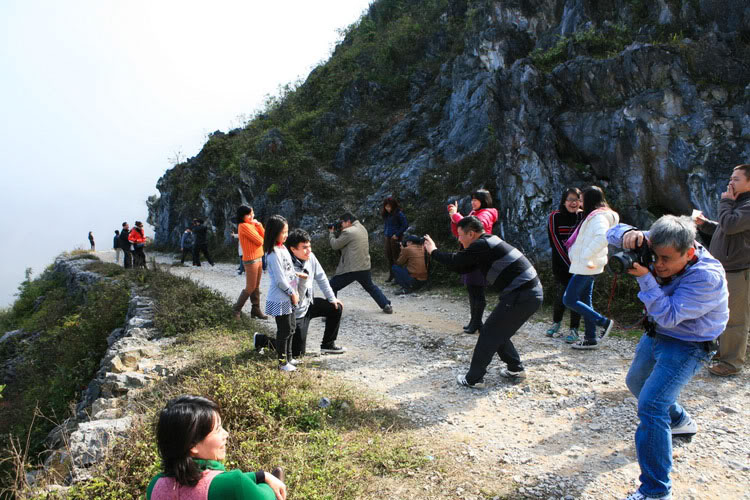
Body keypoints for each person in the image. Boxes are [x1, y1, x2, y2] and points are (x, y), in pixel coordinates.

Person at [606, 215, 728, 500]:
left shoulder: (707, 277)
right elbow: (611, 231)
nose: (658, 264)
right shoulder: (665, 239)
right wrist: (629, 234)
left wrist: (646, 279)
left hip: (689, 342)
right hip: (657, 332)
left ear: (689, 251)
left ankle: (655, 491)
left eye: (665, 259)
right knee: (636, 382)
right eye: (654, 255)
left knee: (650, 405)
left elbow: (669, 315)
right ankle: (680, 420)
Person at [424, 216, 542, 387]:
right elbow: (462, 266)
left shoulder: (482, 245)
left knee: (489, 332)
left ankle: (474, 379)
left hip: (522, 294)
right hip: (528, 294)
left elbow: (456, 261)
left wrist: (433, 251)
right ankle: (515, 368)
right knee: (498, 331)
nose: (459, 239)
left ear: (471, 233)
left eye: (460, 235)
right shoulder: (488, 242)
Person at [146, 395, 286, 500]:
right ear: (193, 445)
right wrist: (269, 483)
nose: (226, 434)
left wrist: (260, 475)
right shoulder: (235, 484)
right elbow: (268, 496)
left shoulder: (155, 487)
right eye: (218, 429)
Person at [695, 163, 750, 377]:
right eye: (731, 177)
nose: (731, 182)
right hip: (724, 269)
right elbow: (724, 228)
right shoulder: (739, 204)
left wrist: (725, 202)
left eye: (736, 178)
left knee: (736, 318)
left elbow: (731, 225)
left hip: (738, 270)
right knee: (719, 312)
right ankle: (721, 352)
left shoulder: (746, 205)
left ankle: (732, 362)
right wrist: (706, 224)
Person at [255, 229, 345, 356]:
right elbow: (289, 290)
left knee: (336, 307)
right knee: (297, 352)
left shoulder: (311, 257)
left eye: (309, 246)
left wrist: (331, 298)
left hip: (309, 304)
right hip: (296, 312)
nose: (309, 250)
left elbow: (321, 277)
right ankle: (262, 340)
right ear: (293, 249)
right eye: (304, 248)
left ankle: (328, 344)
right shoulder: (285, 263)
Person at [562, 186, 618, 349]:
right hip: (589, 264)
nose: (580, 202)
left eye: (582, 199)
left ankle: (603, 322)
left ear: (590, 200)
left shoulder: (598, 217)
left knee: (569, 299)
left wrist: (585, 255)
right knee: (586, 300)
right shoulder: (597, 215)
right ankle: (590, 338)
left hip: (587, 265)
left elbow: (602, 237)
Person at [447, 189, 498, 334]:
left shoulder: (486, 214)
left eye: (476, 199)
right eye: (472, 199)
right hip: (472, 255)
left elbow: (473, 227)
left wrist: (455, 215)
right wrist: (453, 218)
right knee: (472, 289)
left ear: (484, 200)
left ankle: (476, 323)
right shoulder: (474, 213)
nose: (473, 202)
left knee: (477, 290)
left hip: (479, 256)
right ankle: (475, 322)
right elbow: (460, 230)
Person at [329, 213, 393, 314]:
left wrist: (331, 233)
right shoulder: (362, 228)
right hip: (364, 266)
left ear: (348, 222)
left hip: (352, 268)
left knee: (332, 286)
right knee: (370, 287)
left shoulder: (348, 232)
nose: (341, 225)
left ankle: (331, 311)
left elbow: (335, 245)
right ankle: (386, 305)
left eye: (342, 222)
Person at [546, 187, 583, 339]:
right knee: (561, 294)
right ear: (564, 201)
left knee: (576, 296)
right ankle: (556, 323)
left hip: (580, 264)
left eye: (576, 200)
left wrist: (577, 263)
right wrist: (570, 263)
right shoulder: (555, 216)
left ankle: (574, 329)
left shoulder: (583, 217)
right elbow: (555, 241)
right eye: (570, 200)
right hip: (561, 264)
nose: (573, 203)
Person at [263, 215, 299, 371]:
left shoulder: (282, 248)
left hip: (289, 295)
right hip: (280, 298)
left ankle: (289, 358)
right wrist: (292, 292)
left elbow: (288, 271)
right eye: (283, 232)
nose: (286, 235)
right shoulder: (272, 253)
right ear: (274, 232)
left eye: (287, 231)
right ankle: (282, 363)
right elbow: (279, 280)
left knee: (291, 327)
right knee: (284, 331)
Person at [233, 206, 268, 321]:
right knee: (250, 287)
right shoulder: (243, 226)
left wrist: (258, 224)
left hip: (258, 257)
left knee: (256, 286)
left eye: (252, 213)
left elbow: (265, 236)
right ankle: (236, 310)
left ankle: (256, 309)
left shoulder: (252, 224)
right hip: (251, 260)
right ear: (242, 216)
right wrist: (256, 228)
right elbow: (260, 241)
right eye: (249, 214)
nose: (252, 216)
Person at [382, 197, 408, 282]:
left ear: (393, 205)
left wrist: (397, 234)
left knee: (396, 257)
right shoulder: (386, 214)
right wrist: (385, 233)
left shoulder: (399, 213)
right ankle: (392, 275)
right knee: (389, 256)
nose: (387, 208)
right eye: (386, 206)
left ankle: (398, 277)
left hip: (395, 238)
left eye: (389, 206)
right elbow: (386, 225)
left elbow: (405, 225)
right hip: (387, 237)